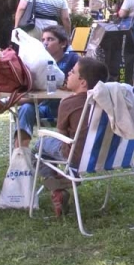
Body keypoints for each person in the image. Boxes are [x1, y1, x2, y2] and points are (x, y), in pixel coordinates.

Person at [0, 26, 80, 146]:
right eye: (43, 40)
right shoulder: (37, 61)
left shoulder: (72, 59)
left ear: (63, 43)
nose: (45, 43)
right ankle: (21, 153)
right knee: (26, 107)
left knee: (46, 93)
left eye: (50, 39)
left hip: (61, 107)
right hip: (40, 105)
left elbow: (80, 83)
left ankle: (0, 104)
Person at [35, 57, 109, 216]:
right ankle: (67, 179)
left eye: (73, 71)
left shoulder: (68, 102)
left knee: (39, 146)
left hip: (78, 156)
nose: (68, 73)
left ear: (83, 82)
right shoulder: (111, 100)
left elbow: (62, 137)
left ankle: (57, 187)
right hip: (108, 154)